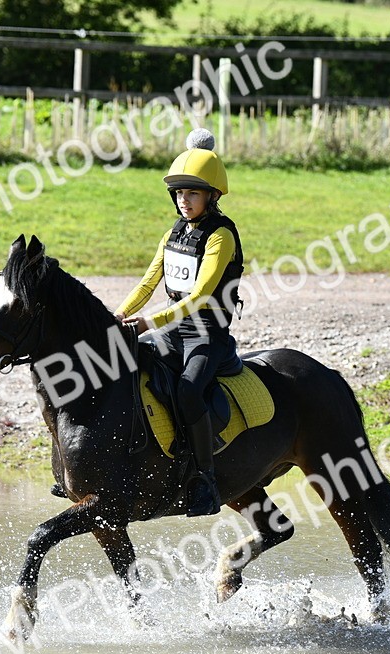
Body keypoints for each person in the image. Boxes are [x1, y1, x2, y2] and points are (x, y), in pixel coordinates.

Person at [115, 129, 244, 517]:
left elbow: (200, 296)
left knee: (189, 390)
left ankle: (205, 479)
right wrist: (117, 316)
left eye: (193, 194)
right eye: (180, 193)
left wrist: (148, 323)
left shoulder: (221, 236)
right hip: (172, 332)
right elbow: (148, 283)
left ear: (212, 196)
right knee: (124, 364)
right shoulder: (173, 233)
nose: (184, 200)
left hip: (207, 336)